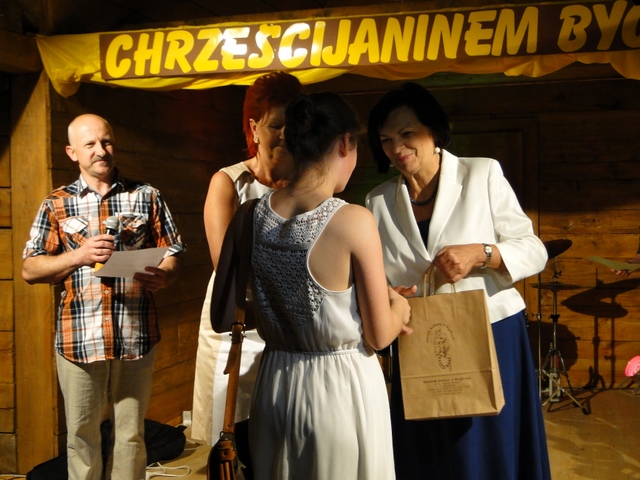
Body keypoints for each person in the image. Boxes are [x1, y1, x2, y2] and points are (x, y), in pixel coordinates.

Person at [365, 82, 551, 480]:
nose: (397, 147)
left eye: (407, 133)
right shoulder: (377, 201)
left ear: (434, 130)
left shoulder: (482, 173)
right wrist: (388, 293)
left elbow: (534, 250)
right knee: (430, 454)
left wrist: (482, 253)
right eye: (386, 139)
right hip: (419, 340)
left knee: (486, 453)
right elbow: (378, 276)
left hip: (489, 332)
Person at [246, 91, 412, 480]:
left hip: (274, 383)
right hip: (338, 390)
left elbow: (237, 309)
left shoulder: (251, 214)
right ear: (344, 143)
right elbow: (379, 335)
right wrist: (400, 307)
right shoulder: (353, 220)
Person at [22, 113, 185, 480]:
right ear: (72, 153)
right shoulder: (56, 203)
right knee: (82, 437)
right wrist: (79, 255)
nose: (101, 150)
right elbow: (30, 268)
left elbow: (173, 252)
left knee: (131, 435)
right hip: (79, 338)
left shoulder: (146, 195)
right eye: (90, 144)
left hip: (136, 334)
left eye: (106, 141)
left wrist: (165, 275)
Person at [191, 72, 304, 459]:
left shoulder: (307, 184)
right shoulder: (230, 182)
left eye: (293, 124)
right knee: (232, 439)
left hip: (290, 322)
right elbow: (226, 266)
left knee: (284, 438)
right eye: (276, 125)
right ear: (254, 128)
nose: (285, 134)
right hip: (237, 323)